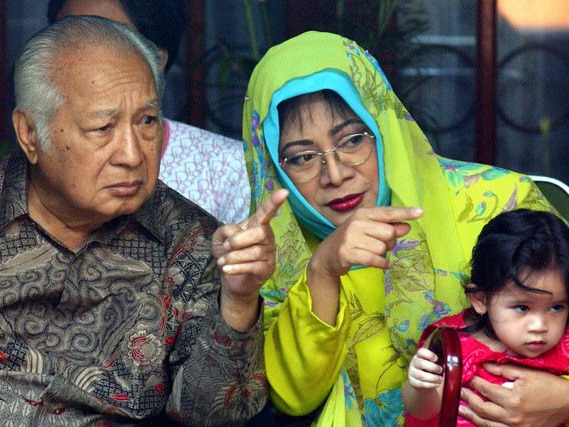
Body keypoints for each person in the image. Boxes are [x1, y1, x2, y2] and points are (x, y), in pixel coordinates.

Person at [0, 16, 287, 426]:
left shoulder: (189, 242)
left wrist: (238, 301)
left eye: (147, 121)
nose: (132, 155)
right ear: (30, 133)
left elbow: (213, 416)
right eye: (103, 127)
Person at [242, 30, 569, 426]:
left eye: (352, 140)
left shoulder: (500, 202)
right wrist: (323, 271)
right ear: (274, 168)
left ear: (384, 127)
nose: (335, 174)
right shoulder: (271, 253)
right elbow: (293, 398)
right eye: (302, 158)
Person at [47, 0, 251, 225]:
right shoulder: (35, 167)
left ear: (157, 59)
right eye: (69, 39)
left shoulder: (228, 168)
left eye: (113, 40)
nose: (130, 157)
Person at [403, 209, 569, 426]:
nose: (539, 326)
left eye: (556, 307)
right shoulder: (450, 345)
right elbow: (423, 412)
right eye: (522, 307)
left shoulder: (564, 345)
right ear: (480, 300)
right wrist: (419, 387)